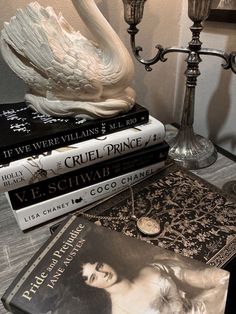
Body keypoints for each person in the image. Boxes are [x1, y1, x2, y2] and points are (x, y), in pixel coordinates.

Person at [81, 259, 229, 314]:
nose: (102, 273)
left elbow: (195, 277)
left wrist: (218, 276)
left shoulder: (149, 269)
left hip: (210, 306)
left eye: (99, 266)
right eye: (94, 277)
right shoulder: (119, 312)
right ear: (90, 287)